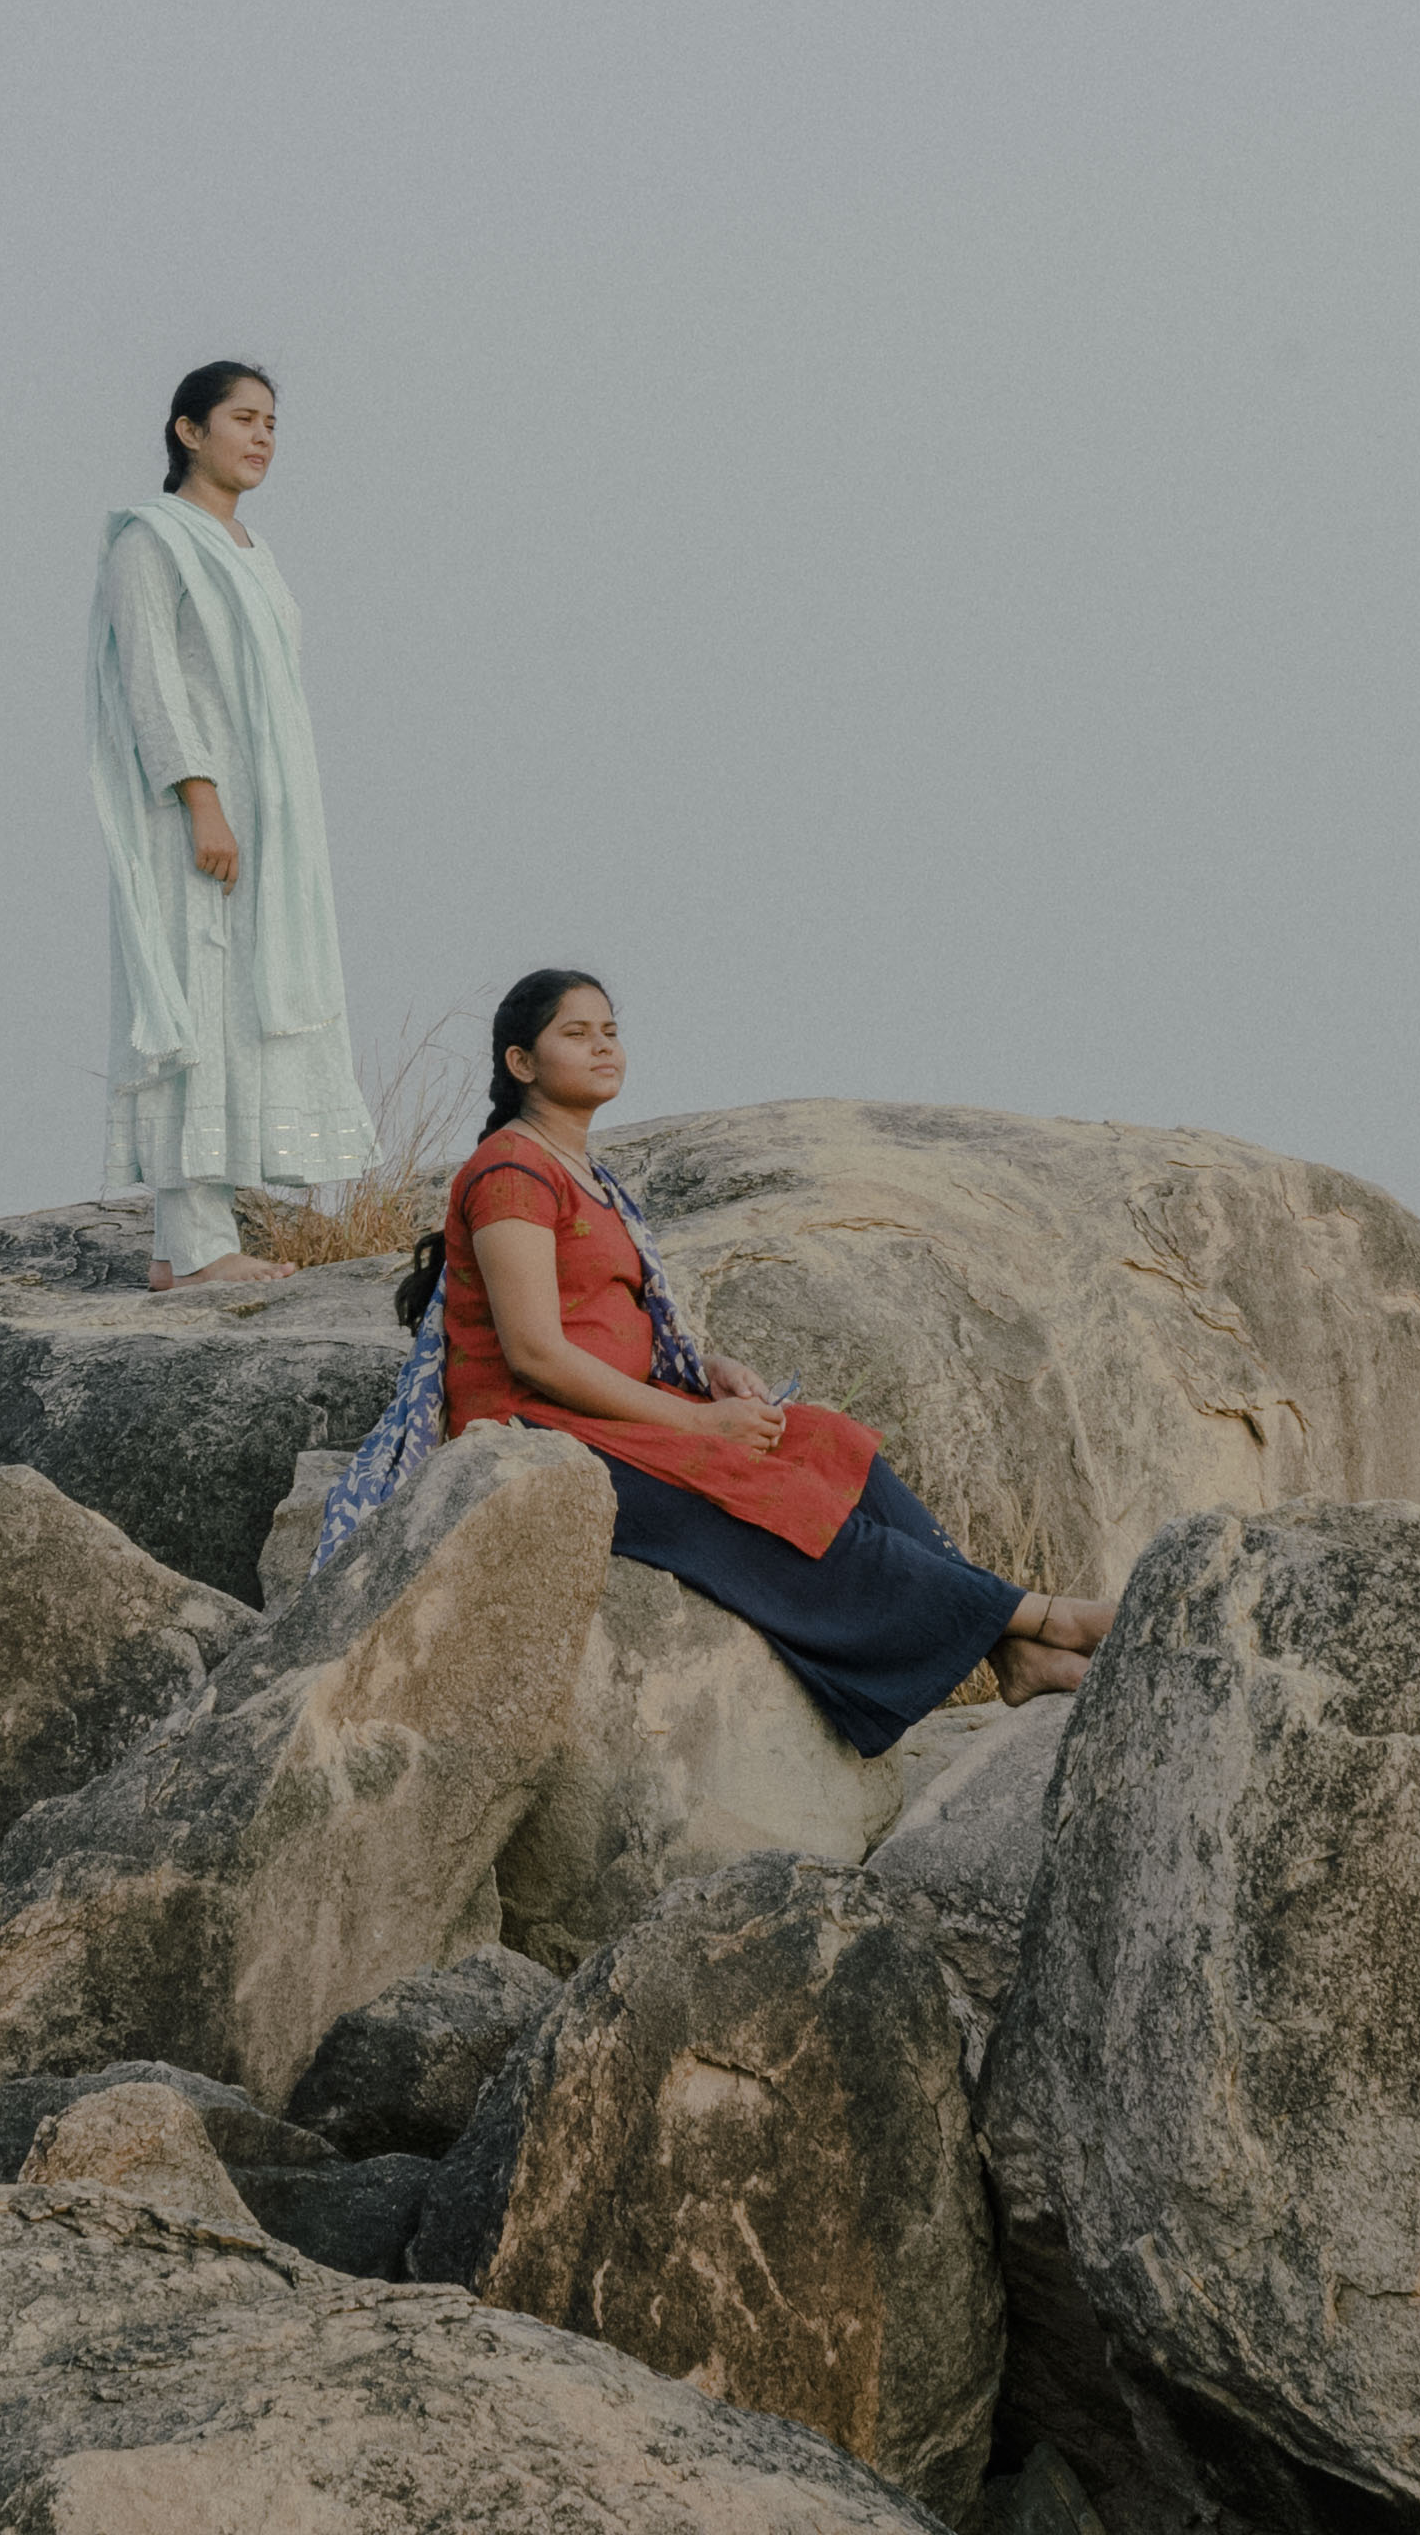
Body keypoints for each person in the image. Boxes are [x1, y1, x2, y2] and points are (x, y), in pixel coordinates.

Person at [314, 968, 1112, 1741]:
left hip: (609, 1408)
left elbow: (610, 1310)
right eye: (576, 1034)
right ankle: (1038, 1620)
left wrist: (707, 1368)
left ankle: (1011, 1647)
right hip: (538, 1432)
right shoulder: (512, 1171)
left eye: (611, 1033)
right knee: (768, 1492)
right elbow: (536, 1353)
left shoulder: (585, 1172)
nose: (604, 1048)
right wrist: (698, 1429)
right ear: (521, 1063)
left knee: (826, 1441)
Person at [89, 359, 374, 1290]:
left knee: (242, 1003)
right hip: (194, 815)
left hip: (269, 816)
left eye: (272, 424)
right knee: (195, 1002)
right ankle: (202, 1242)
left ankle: (180, 1249)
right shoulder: (153, 541)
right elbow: (153, 690)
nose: (261, 438)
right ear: (187, 430)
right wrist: (202, 803)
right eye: (242, 419)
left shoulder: (250, 545)